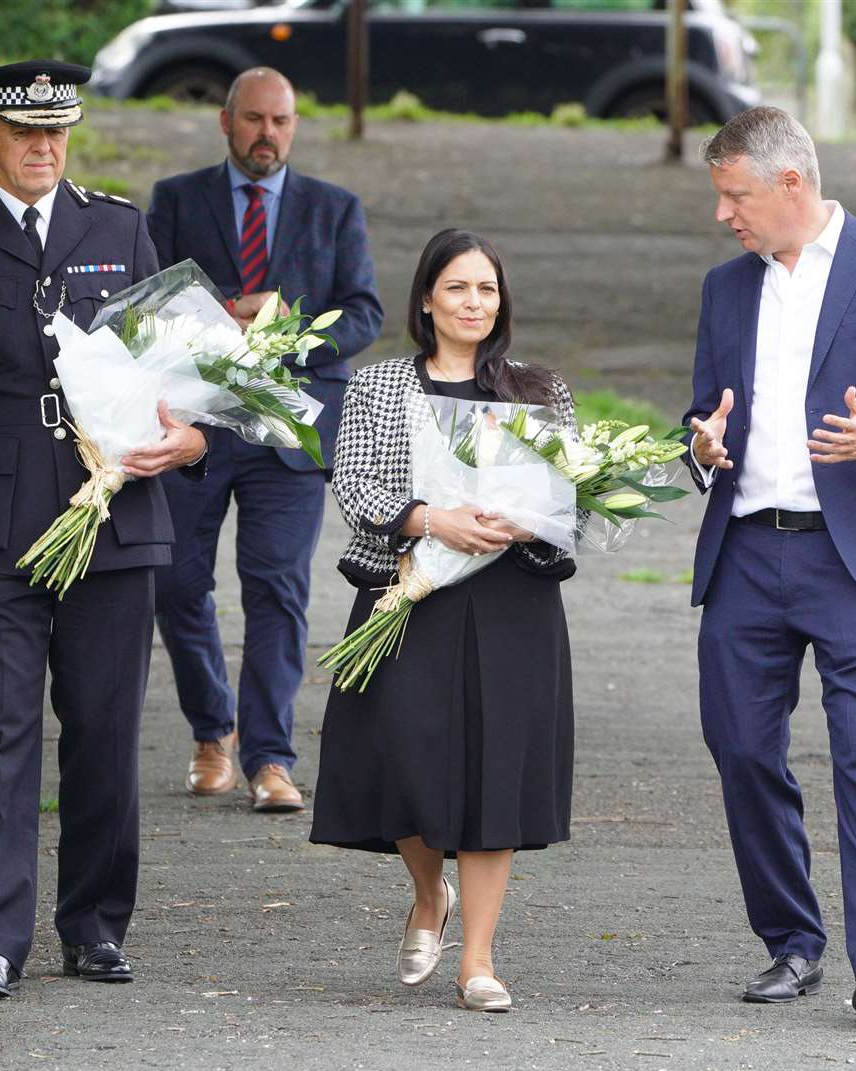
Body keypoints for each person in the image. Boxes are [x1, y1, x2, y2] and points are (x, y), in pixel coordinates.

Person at [0, 60, 209, 1000]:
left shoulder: (120, 227)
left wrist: (190, 440)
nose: (41, 148)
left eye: (56, 133)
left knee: (103, 731)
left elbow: (179, 372)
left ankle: (95, 927)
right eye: (24, 133)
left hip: (114, 517)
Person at [683, 107, 856, 1022]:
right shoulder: (725, 288)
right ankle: (791, 942)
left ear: (789, 185)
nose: (724, 214)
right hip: (743, 554)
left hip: (852, 562)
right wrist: (700, 448)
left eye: (735, 196)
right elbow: (700, 413)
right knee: (740, 750)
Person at [309, 230, 577, 1013]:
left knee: (497, 770)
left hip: (511, 605)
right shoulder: (380, 384)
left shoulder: (536, 387)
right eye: (457, 288)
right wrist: (431, 519)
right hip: (411, 589)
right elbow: (353, 483)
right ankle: (429, 893)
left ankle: (480, 961)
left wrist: (528, 522)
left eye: (486, 290)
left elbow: (570, 497)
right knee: (401, 752)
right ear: (427, 298)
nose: (473, 303)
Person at [146, 67, 383, 812]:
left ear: (294, 125)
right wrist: (221, 319)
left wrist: (287, 336)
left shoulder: (334, 209)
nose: (266, 135)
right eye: (252, 120)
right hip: (195, 427)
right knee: (176, 581)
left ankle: (270, 759)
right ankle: (211, 731)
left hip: (289, 430)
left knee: (276, 589)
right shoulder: (177, 201)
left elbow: (364, 313)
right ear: (225, 122)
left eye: (280, 121)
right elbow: (148, 303)